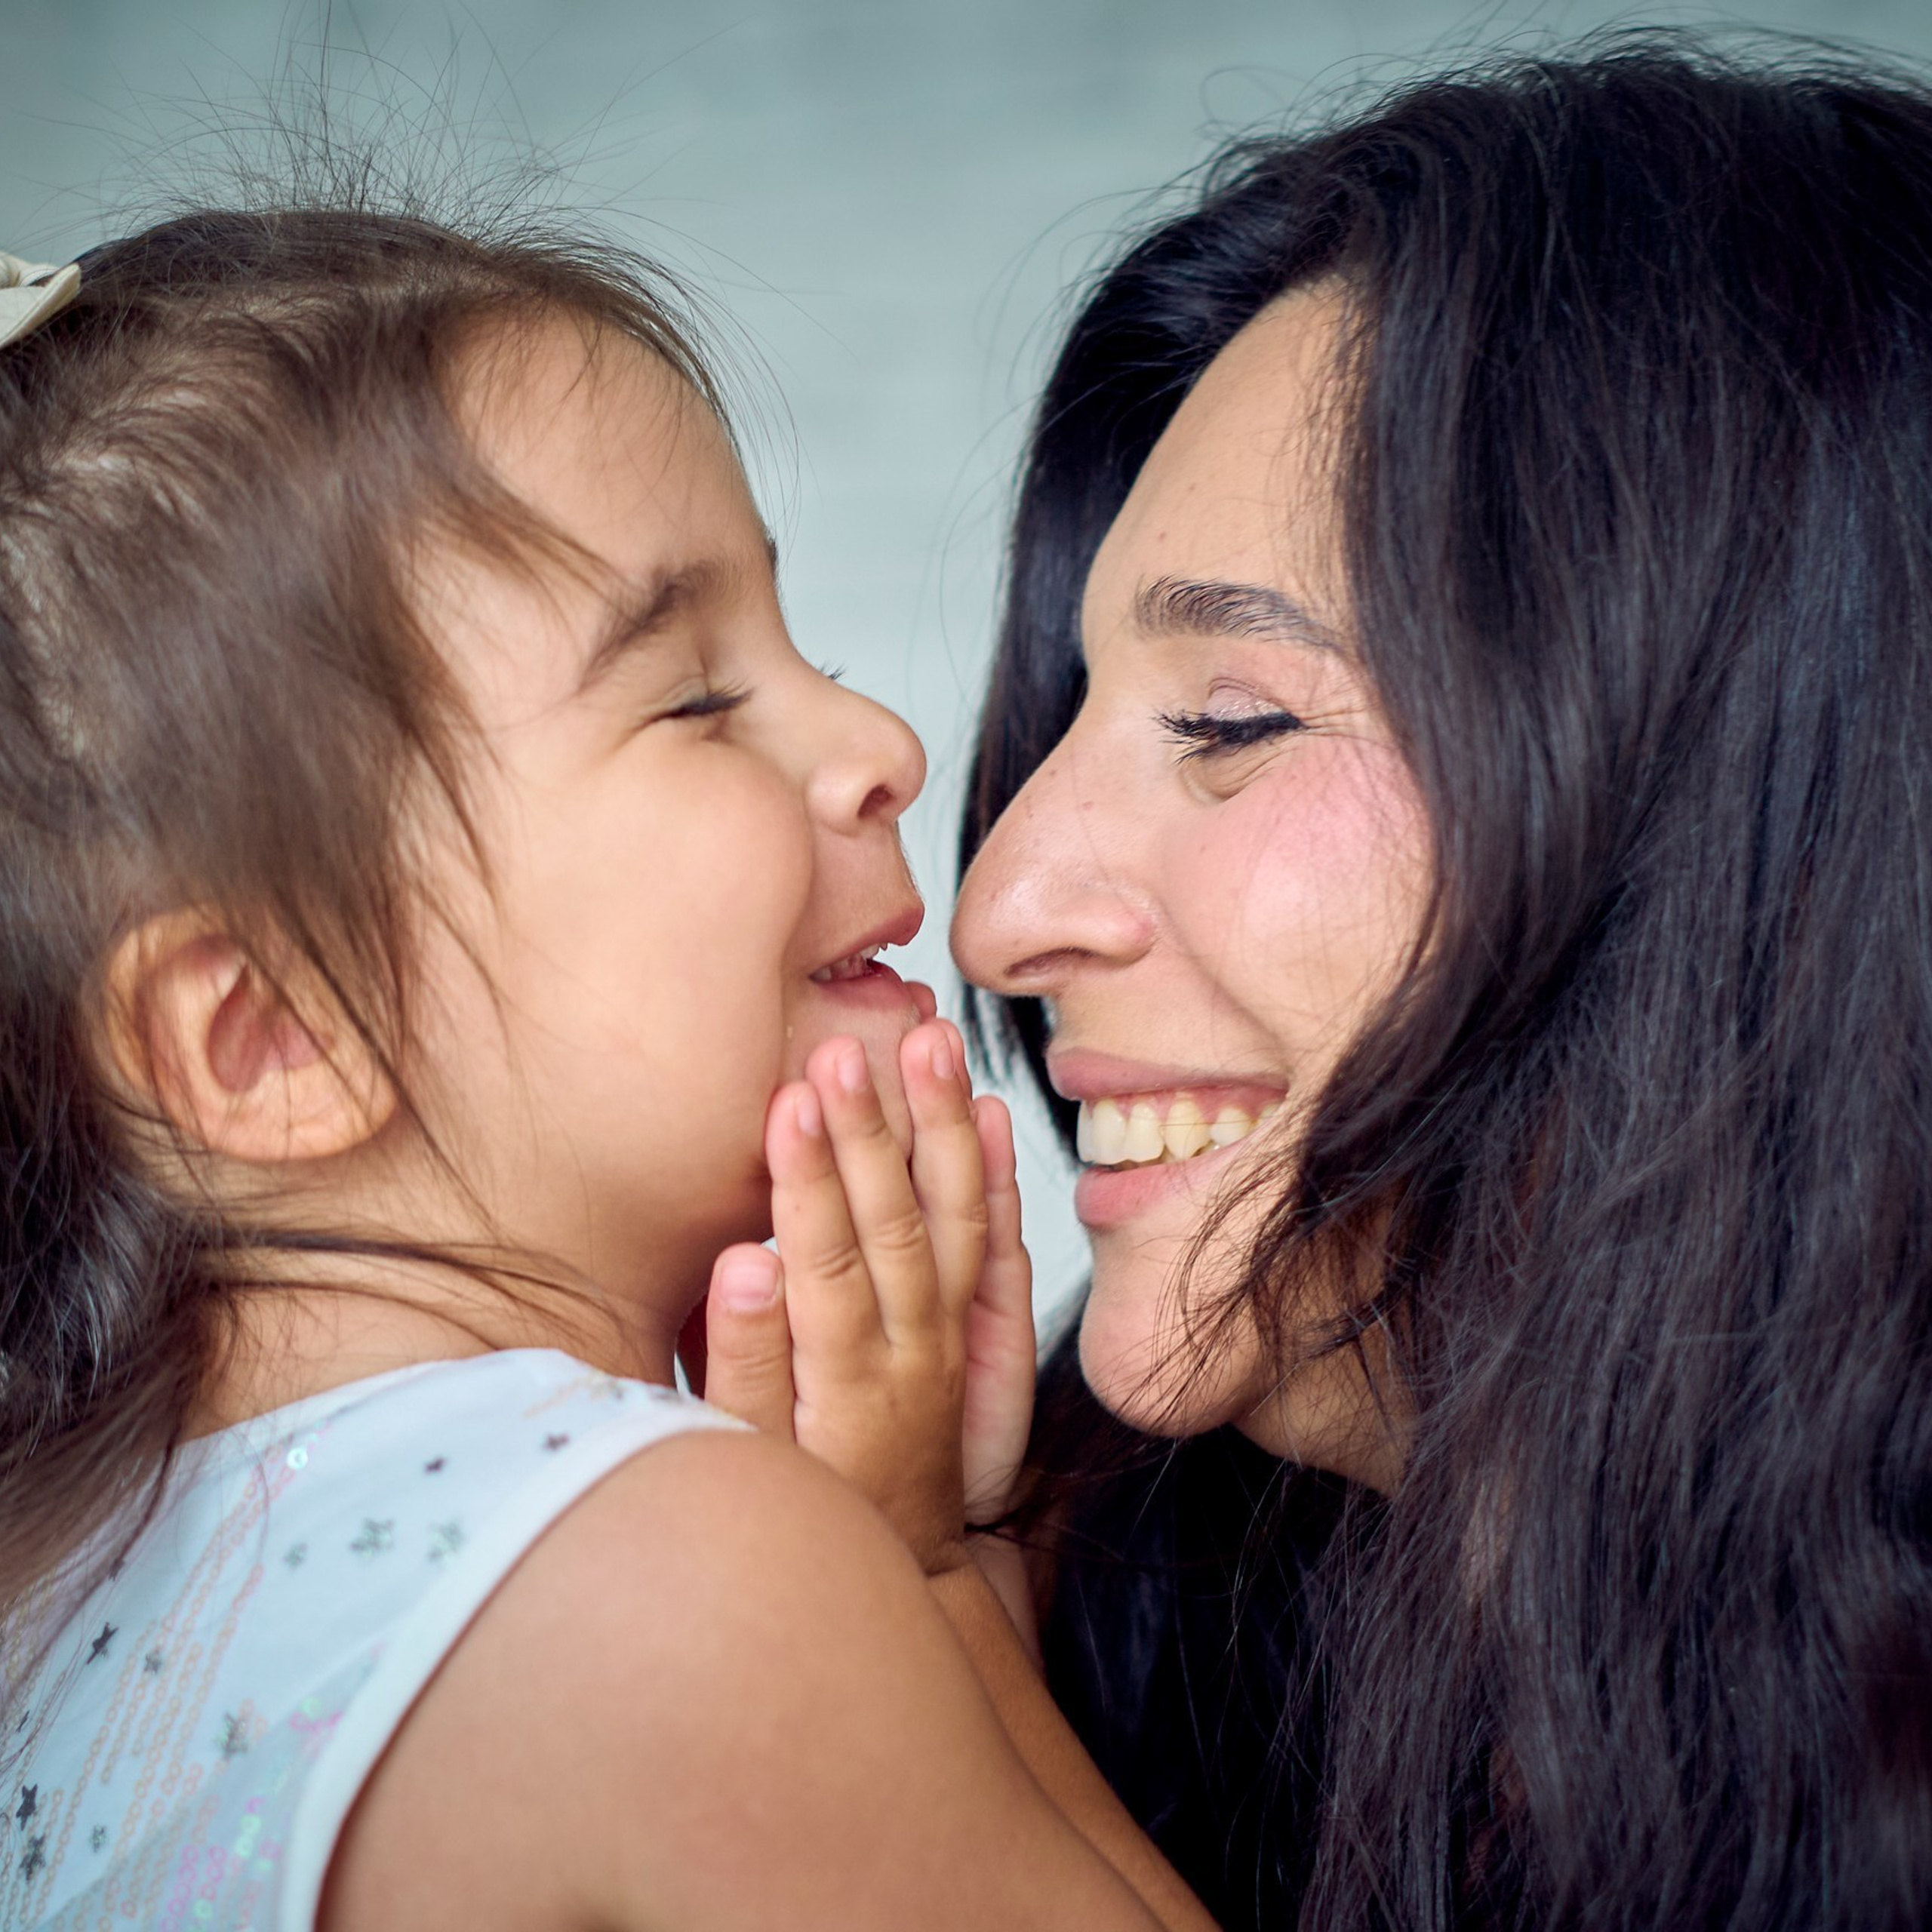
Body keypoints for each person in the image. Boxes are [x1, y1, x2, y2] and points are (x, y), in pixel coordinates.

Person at [0, 208, 1210, 1930]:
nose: (884, 747)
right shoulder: (675, 1570)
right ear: (272, 1033)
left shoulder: (60, 1607)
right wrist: (925, 1574)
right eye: (696, 699)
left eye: (805, 649)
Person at [949, 36, 1932, 1932]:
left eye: (1229, 720)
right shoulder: (1102, 1586)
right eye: (1071, 724)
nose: (995, 908)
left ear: (1760, 822)